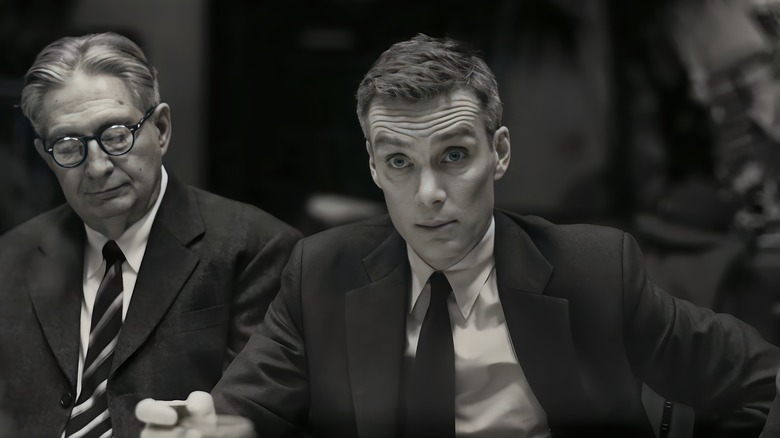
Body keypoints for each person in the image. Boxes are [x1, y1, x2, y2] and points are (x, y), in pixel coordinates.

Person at [138, 34, 780, 437]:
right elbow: (248, 411)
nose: (429, 196)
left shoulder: (596, 268)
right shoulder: (322, 273)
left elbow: (760, 380)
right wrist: (211, 426)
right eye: (399, 163)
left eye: (453, 156)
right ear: (372, 169)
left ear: (498, 153)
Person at [0, 32, 302, 438]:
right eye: (69, 146)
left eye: (116, 136)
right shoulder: (10, 259)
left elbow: (257, 409)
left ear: (160, 128)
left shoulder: (257, 248)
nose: (97, 167)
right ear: (45, 156)